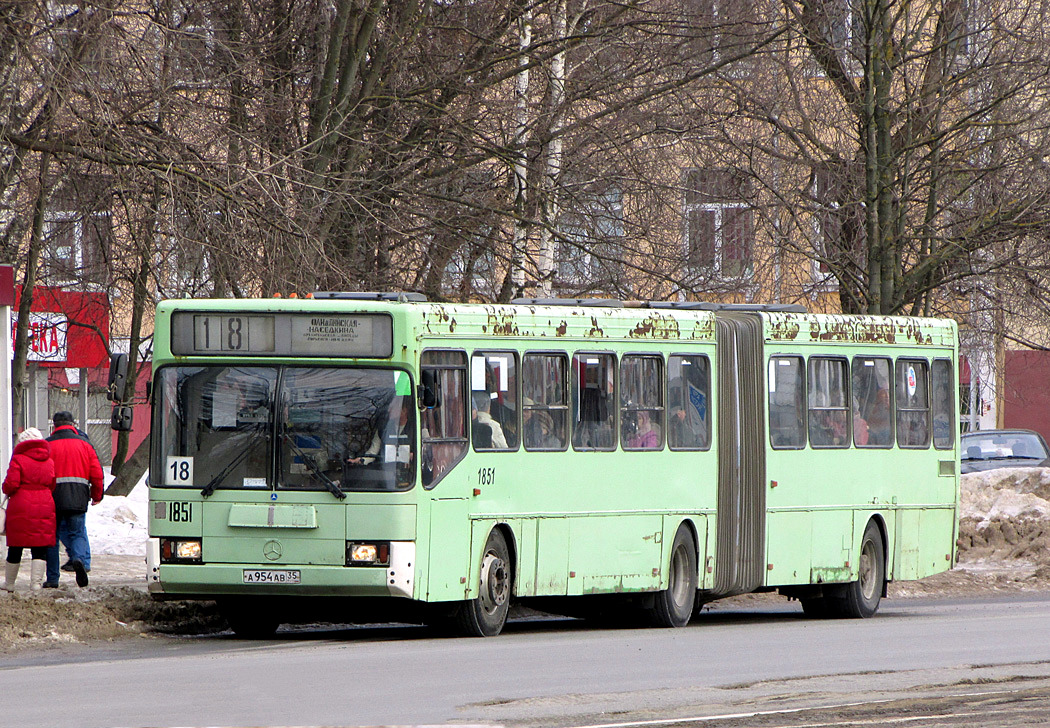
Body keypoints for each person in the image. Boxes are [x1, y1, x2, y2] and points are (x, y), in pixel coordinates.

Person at [45, 411, 104, 588]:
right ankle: (78, 559)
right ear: (73, 424)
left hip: (52, 498)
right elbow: (97, 473)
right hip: (78, 496)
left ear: (54, 425)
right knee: (77, 533)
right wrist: (96, 495)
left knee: (52, 539)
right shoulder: (85, 444)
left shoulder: (47, 445)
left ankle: (53, 579)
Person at [2, 428, 56, 592]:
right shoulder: (49, 461)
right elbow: (52, 483)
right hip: (45, 504)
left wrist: (6, 488)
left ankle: (9, 583)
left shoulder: (18, 459)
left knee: (16, 544)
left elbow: (11, 484)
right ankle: (36, 584)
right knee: (40, 545)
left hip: (21, 504)